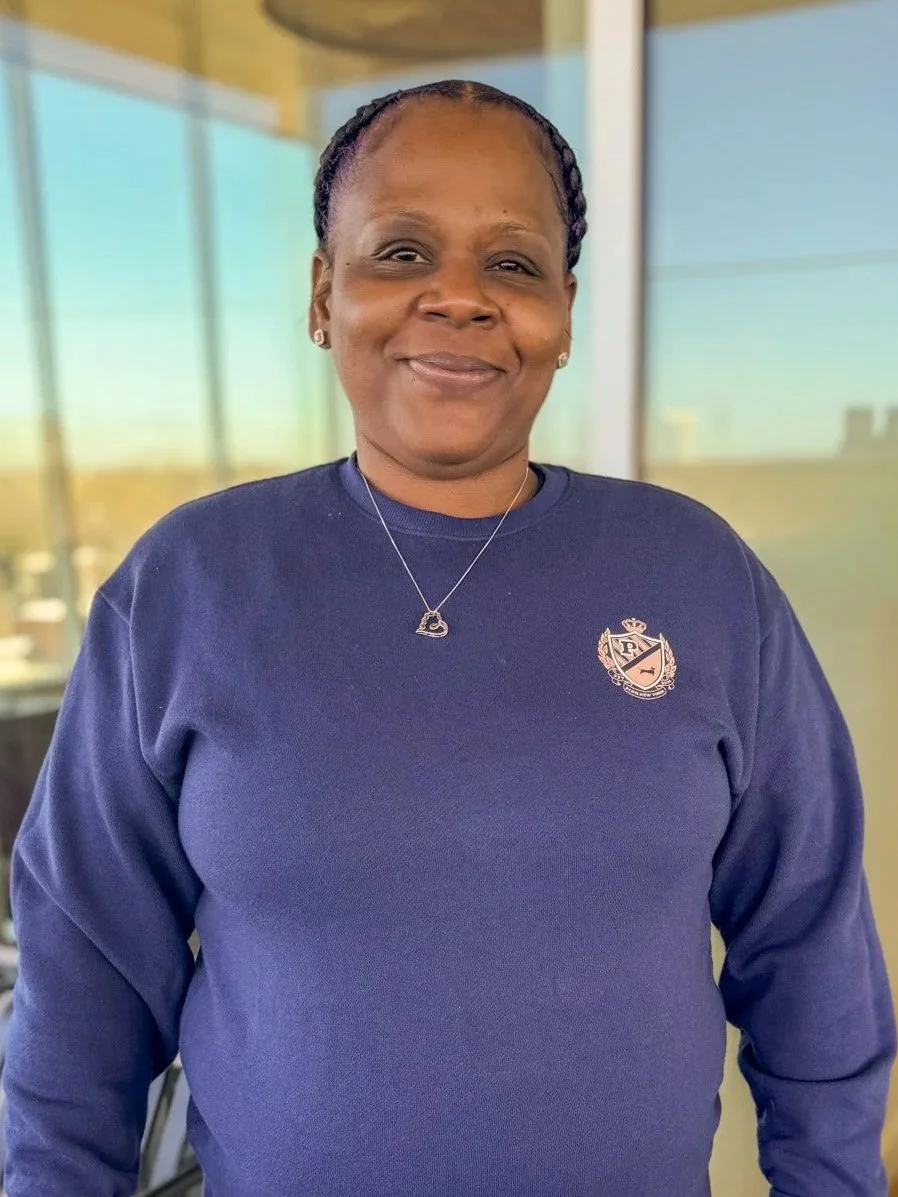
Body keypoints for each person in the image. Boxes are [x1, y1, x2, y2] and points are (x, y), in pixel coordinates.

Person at [3, 79, 895, 1197]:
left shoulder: (700, 577)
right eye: (402, 252)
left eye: (512, 264)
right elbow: (83, 976)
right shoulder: (187, 585)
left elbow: (808, 941)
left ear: (563, 313)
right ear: (325, 294)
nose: (460, 297)